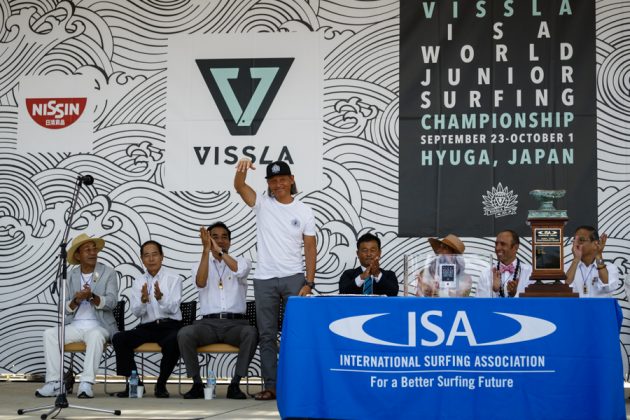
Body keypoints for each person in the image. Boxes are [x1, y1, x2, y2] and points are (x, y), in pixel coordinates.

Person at [234, 158, 317, 401]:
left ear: (291, 180)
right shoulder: (262, 204)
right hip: (264, 280)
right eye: (273, 181)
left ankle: (298, 385)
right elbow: (240, 187)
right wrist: (240, 172)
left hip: (294, 279)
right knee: (267, 335)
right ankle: (271, 386)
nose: (278, 184)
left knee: (297, 333)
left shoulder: (304, 210)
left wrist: (308, 282)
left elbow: (310, 248)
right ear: (268, 184)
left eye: (282, 179)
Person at [178, 222, 256, 399]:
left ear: (229, 241)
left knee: (251, 333)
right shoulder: (199, 264)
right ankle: (197, 384)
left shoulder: (242, 261)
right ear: (207, 239)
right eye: (215, 237)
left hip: (236, 324)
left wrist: (219, 252)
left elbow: (238, 270)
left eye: (224, 237)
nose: (220, 240)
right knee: (185, 334)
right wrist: (206, 251)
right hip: (208, 324)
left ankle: (235, 384)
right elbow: (200, 282)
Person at [36, 233, 119, 399]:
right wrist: (76, 300)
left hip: (99, 325)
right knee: (50, 335)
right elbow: (63, 306)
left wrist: (92, 297)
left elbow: (112, 302)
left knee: (95, 336)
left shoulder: (108, 272)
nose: (92, 252)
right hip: (75, 325)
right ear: (77, 255)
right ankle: (54, 383)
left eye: (94, 249)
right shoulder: (71, 275)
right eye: (87, 250)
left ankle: (86, 384)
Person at [112, 240, 182, 398]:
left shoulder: (174, 278)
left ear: (162, 256)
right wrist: (143, 301)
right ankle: (135, 383)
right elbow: (137, 313)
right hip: (147, 327)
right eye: (147, 255)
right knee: (119, 338)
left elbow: (174, 308)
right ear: (142, 259)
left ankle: (161, 384)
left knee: (174, 340)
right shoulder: (138, 281)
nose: (151, 259)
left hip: (170, 325)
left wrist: (161, 298)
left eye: (155, 254)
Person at [475, 230, 532, 298]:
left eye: (503, 244)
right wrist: (494, 290)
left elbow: (534, 304)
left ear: (515, 247)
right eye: (496, 244)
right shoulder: (486, 273)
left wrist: (515, 294)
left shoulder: (530, 273)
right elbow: (480, 304)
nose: (497, 248)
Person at [565, 225, 618, 297]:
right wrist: (576, 259)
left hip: (599, 308)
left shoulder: (610, 268)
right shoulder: (567, 268)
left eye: (581, 240)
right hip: (575, 308)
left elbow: (608, 287)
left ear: (595, 244)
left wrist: (598, 254)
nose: (576, 244)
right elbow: (564, 289)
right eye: (575, 240)